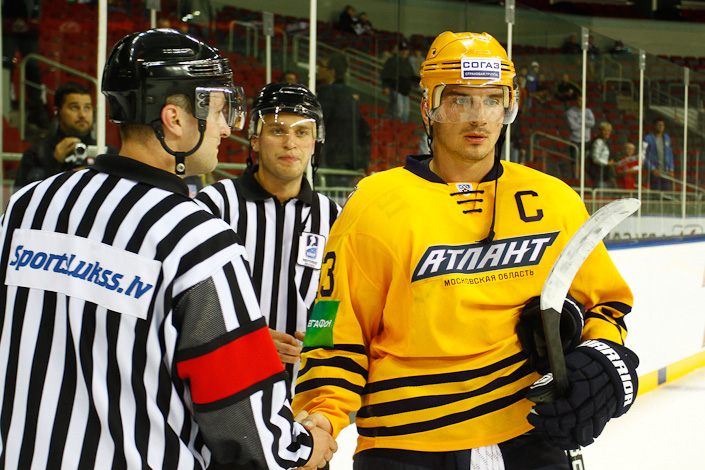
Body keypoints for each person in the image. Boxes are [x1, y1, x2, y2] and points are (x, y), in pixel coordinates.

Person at [293, 30, 638, 470]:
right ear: (428, 107)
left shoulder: (553, 200)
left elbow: (607, 305)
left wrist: (601, 352)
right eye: (459, 100)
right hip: (408, 446)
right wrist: (322, 414)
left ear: (509, 106)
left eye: (493, 100)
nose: (479, 117)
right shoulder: (373, 205)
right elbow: (331, 329)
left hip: (532, 435)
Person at [0, 29, 336, 470]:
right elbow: (244, 423)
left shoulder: (29, 205)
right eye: (218, 110)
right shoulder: (195, 236)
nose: (225, 128)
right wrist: (302, 447)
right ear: (175, 119)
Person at [195, 82, 341, 397]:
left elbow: (335, 298)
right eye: (277, 131)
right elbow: (188, 300)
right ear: (255, 140)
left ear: (314, 143)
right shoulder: (215, 205)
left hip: (303, 394)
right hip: (225, 387)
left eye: (302, 133)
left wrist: (318, 344)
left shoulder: (334, 217)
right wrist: (244, 338)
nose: (290, 143)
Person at [14, 81, 119, 190]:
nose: (82, 115)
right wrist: (54, 163)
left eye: (87, 108)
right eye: (74, 107)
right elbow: (25, 195)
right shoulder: (37, 154)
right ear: (57, 111)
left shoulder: (108, 153)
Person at [316, 52, 371, 187]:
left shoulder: (327, 92)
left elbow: (317, 125)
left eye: (322, 66)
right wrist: (361, 162)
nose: (318, 68)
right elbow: (365, 130)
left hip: (330, 161)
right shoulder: (348, 95)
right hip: (346, 162)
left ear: (331, 72)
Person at [381, 41, 418, 123]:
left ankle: (402, 128)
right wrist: (385, 86)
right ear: (399, 51)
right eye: (402, 50)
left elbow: (411, 76)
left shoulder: (407, 62)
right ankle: (395, 127)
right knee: (398, 112)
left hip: (405, 90)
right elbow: (386, 74)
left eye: (406, 50)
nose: (404, 52)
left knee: (406, 112)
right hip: (396, 89)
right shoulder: (392, 60)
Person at [643, 118, 675, 191]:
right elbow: (643, 155)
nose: (661, 127)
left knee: (667, 193)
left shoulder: (667, 138)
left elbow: (670, 154)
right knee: (656, 193)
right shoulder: (648, 138)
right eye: (659, 125)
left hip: (666, 172)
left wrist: (671, 169)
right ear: (654, 126)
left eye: (662, 125)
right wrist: (652, 168)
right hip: (654, 172)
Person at [566, 96, 595, 163]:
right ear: (576, 101)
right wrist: (585, 125)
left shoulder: (588, 111)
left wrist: (580, 122)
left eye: (582, 101)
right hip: (575, 140)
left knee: (585, 161)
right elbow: (573, 126)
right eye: (579, 100)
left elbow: (592, 123)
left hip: (586, 140)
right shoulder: (570, 112)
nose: (580, 102)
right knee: (574, 161)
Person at [588, 121, 617, 188]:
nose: (607, 133)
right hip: (597, 171)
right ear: (600, 131)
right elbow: (595, 158)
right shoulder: (598, 142)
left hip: (604, 171)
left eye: (609, 131)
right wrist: (607, 163)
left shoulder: (605, 142)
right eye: (605, 130)